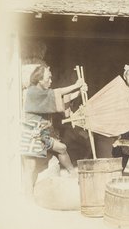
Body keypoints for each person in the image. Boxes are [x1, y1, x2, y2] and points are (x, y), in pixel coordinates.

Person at [22, 64, 87, 197]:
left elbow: (60, 99)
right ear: (39, 79)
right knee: (30, 168)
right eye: (49, 78)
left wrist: (79, 91)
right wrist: (76, 85)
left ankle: (73, 173)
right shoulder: (32, 92)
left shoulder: (43, 93)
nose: (51, 81)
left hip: (42, 134)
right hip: (31, 134)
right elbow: (57, 93)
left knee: (62, 148)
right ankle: (27, 198)